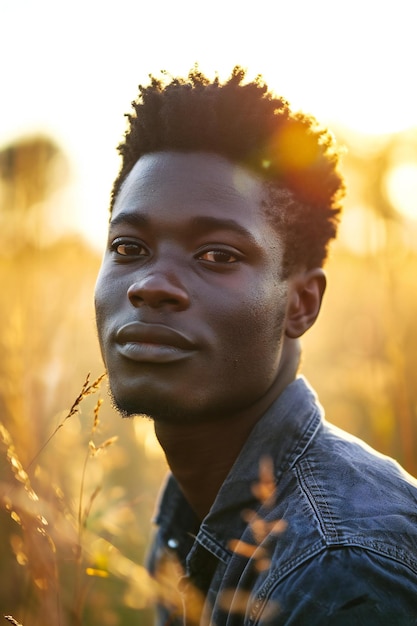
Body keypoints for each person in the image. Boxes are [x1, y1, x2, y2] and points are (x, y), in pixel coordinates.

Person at [94, 67, 417, 625]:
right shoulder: (188, 519)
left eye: (216, 255)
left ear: (301, 304)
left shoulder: (342, 571)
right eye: (129, 246)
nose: (149, 284)